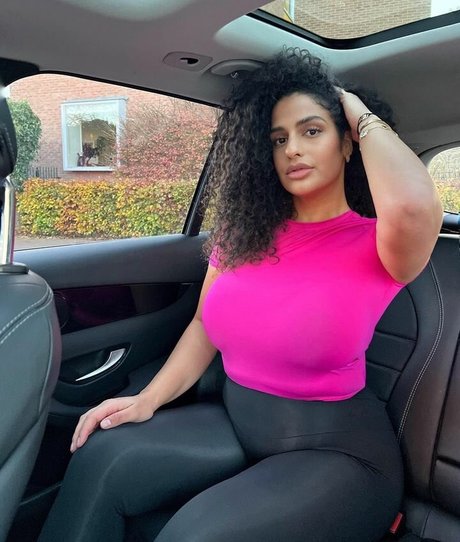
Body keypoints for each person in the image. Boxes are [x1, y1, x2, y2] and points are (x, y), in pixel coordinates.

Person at [38, 49, 443, 542]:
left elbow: (414, 206)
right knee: (100, 458)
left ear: (346, 144)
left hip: (338, 450)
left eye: (312, 131)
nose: (292, 149)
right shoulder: (243, 233)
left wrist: (355, 109)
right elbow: (203, 326)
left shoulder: (379, 243)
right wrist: (148, 399)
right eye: (278, 139)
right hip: (237, 419)